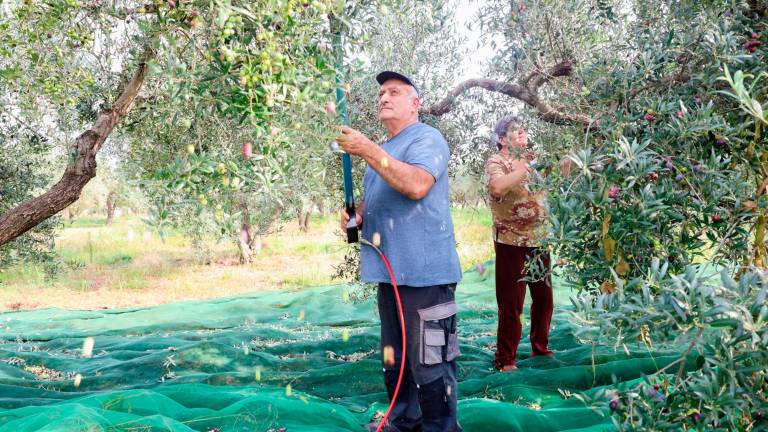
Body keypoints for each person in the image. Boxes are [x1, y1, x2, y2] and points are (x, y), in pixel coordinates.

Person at [337, 71, 462, 432]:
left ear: (415, 103)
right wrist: (356, 216)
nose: (384, 98)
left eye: (394, 92)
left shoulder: (428, 139)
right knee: (397, 358)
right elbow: (380, 200)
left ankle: (441, 428)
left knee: (431, 360)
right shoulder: (383, 151)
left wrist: (367, 149)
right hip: (389, 275)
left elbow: (417, 184)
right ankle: (405, 422)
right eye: (381, 94)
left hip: (425, 275)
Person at [485, 115, 559, 372]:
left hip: (539, 239)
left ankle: (541, 347)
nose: (522, 134)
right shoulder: (497, 162)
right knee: (511, 304)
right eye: (515, 131)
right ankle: (505, 358)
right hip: (510, 241)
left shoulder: (535, 160)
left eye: (523, 129)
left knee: (544, 299)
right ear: (503, 140)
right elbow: (497, 187)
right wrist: (523, 168)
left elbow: (561, 173)